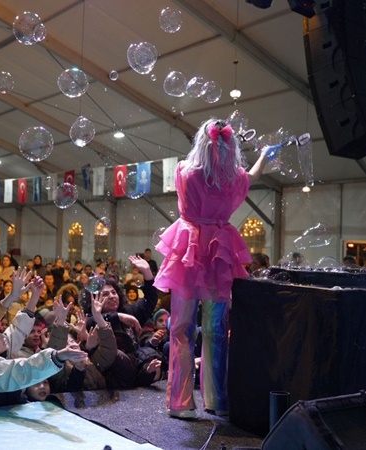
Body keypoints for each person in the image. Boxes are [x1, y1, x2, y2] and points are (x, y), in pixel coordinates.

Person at [153, 118, 276, 419]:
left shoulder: (186, 171)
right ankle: (217, 399)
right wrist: (264, 154)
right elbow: (254, 174)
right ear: (230, 145)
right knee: (216, 330)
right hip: (219, 252)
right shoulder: (234, 179)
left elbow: (186, 179)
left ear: (201, 141)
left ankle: (181, 403)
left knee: (181, 329)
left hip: (190, 251)